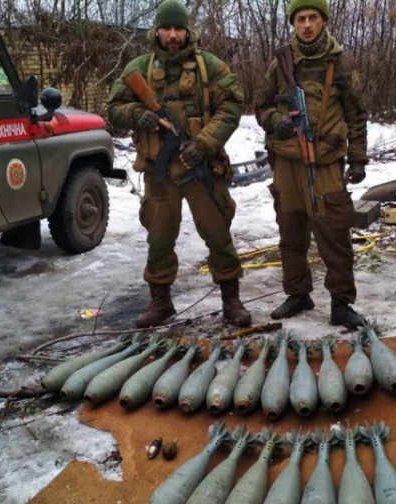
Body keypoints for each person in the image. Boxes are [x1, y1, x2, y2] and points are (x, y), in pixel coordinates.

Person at [106, 0, 251, 329]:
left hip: (201, 167)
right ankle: (160, 301)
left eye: (179, 29)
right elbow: (113, 108)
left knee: (218, 234)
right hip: (160, 171)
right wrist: (135, 115)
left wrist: (204, 144)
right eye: (167, 28)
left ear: (188, 31)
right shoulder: (139, 69)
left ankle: (231, 299)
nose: (173, 35)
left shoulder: (209, 67)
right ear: (157, 30)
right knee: (159, 237)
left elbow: (231, 106)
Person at [255, 0, 368, 329]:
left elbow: (357, 114)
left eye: (312, 18)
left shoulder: (341, 62)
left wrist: (358, 158)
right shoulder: (280, 64)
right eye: (300, 18)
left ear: (323, 20)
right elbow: (260, 106)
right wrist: (276, 120)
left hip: (326, 162)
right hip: (287, 161)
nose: (306, 25)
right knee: (291, 232)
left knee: (334, 234)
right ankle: (298, 293)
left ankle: (341, 303)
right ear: (293, 22)